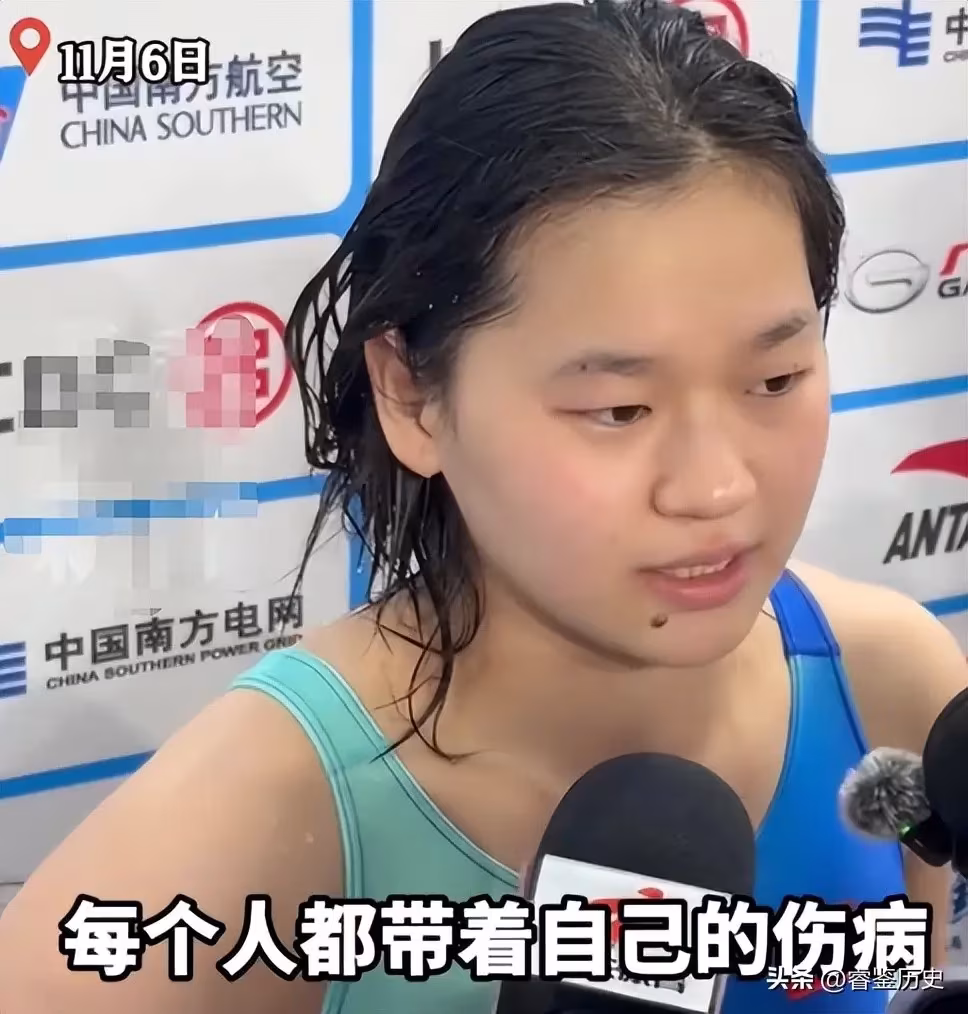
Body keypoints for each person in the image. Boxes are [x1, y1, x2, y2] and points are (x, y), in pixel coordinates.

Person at [0, 1, 964, 1012]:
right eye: (617, 408)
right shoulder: (245, 827)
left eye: (773, 380)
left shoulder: (888, 684)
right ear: (412, 395)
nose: (716, 487)